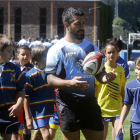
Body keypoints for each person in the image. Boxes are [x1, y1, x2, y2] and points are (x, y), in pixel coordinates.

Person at [45, 7, 116, 140]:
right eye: (77, 23)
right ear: (66, 25)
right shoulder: (56, 49)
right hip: (68, 105)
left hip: (90, 103)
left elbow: (99, 74)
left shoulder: (92, 47)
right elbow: (50, 79)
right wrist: (70, 83)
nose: (82, 26)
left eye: (83, 23)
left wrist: (106, 78)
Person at [24, 45, 55, 140]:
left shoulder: (51, 72)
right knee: (46, 135)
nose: (49, 57)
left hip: (50, 108)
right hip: (38, 110)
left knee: (38, 135)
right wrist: (28, 117)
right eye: (46, 55)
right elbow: (26, 96)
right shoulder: (30, 75)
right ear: (38, 57)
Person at [96, 43, 125, 140]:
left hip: (117, 108)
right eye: (109, 52)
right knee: (101, 137)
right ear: (105, 54)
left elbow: (122, 88)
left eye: (114, 52)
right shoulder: (100, 69)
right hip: (102, 108)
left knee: (119, 136)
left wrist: (124, 103)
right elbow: (96, 89)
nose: (111, 54)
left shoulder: (121, 69)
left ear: (117, 53)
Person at [0, 34, 26, 140]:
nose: (12, 54)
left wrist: (19, 104)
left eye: (12, 51)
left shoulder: (14, 69)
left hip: (9, 111)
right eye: (9, 51)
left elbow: (22, 90)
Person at [116, 56, 140, 140]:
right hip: (136, 127)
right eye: (136, 68)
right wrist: (120, 123)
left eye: (139, 69)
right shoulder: (131, 86)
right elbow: (126, 105)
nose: (136, 71)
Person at [16, 45, 34, 140]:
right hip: (17, 100)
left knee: (28, 124)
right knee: (18, 124)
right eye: (22, 54)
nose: (25, 57)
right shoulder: (14, 68)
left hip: (29, 100)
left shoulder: (33, 69)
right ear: (17, 55)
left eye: (27, 54)